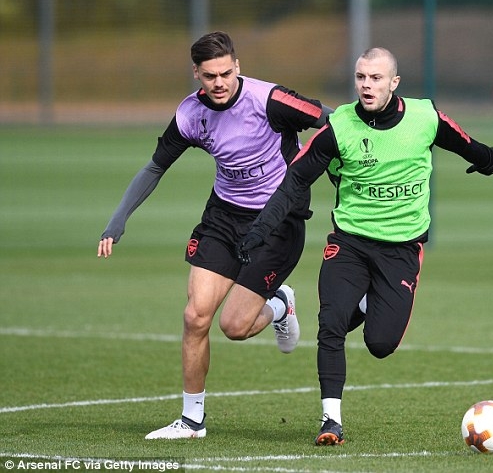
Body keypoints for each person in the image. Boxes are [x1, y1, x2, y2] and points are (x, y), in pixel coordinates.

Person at [236, 47, 493, 445]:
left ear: (394, 83)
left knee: (380, 344)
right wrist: (260, 230)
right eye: (361, 77)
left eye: (376, 78)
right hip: (350, 243)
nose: (366, 85)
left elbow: (463, 141)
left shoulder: (424, 117)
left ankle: (364, 301)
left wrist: (488, 160)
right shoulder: (339, 126)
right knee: (331, 324)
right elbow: (295, 181)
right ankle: (331, 422)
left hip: (401, 249)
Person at [97, 31, 332, 439]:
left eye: (226, 73)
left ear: (237, 66)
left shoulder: (269, 100)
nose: (219, 83)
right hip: (223, 217)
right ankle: (192, 421)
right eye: (210, 76)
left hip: (278, 220)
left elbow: (335, 121)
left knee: (235, 327)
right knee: (195, 316)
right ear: (197, 74)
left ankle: (280, 305)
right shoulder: (191, 114)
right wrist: (118, 220)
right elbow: (155, 166)